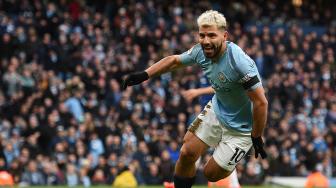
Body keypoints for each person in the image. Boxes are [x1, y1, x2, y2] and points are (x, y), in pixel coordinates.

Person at [122, 10, 268, 188]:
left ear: (224, 35)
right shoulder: (200, 51)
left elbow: (261, 102)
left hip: (241, 129)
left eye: (212, 35)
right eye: (202, 35)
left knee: (211, 174)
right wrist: (144, 75)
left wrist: (257, 136)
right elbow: (175, 61)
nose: (206, 41)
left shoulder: (240, 62)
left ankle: (229, 161)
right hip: (218, 110)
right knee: (187, 152)